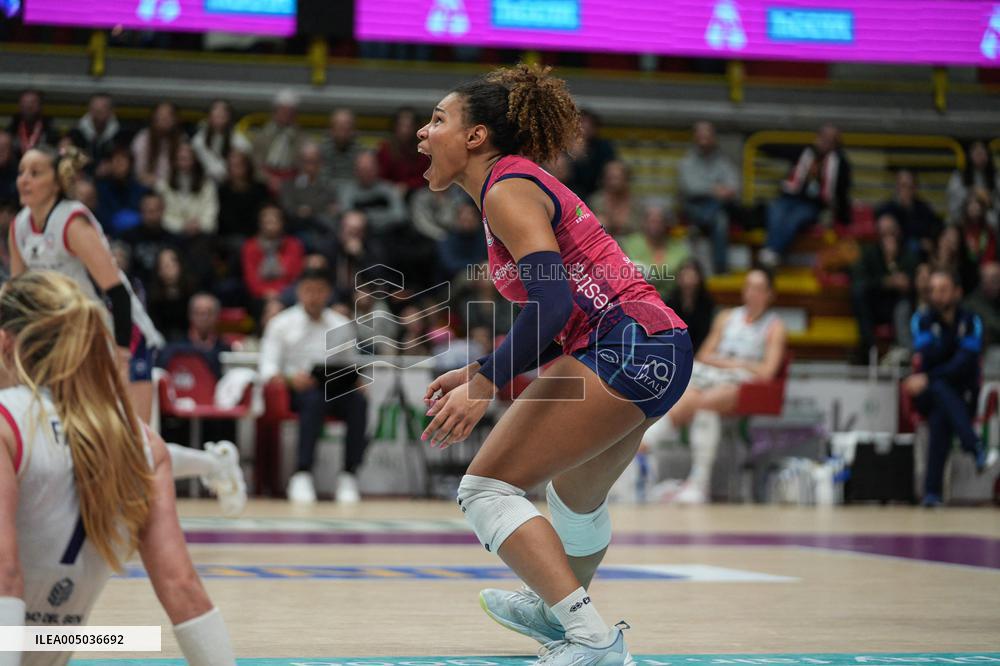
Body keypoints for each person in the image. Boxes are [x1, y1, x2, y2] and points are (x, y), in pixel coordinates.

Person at [416, 64, 692, 664]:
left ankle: (593, 637)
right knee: (574, 498)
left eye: (438, 120)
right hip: (656, 347)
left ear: (475, 138)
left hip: (623, 346)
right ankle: (560, 611)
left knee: (486, 488)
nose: (422, 132)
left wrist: (487, 380)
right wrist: (480, 369)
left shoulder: (506, 187)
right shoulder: (514, 186)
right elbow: (558, 313)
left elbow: (555, 303)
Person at [0, 271, 237, 666]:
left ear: (6, 343)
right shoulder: (140, 440)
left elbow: (6, 576)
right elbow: (184, 590)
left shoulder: (7, 422)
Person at [9, 146, 243, 515]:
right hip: (71, 342)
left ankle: (217, 466)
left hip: (122, 334)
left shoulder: (72, 223)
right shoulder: (19, 226)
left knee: (135, 444)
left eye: (35, 172)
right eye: (22, 171)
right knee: (79, 435)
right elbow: (20, 299)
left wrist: (120, 353)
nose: (24, 179)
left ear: (58, 181)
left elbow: (117, 293)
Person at [642, 268, 786, 505]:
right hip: (716, 377)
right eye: (749, 287)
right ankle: (694, 482)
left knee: (699, 401)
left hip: (746, 384)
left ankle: (647, 448)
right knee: (698, 403)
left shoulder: (774, 326)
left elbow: (768, 371)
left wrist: (733, 364)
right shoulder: (727, 317)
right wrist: (736, 363)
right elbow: (704, 354)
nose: (752, 293)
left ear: (769, 294)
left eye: (759, 289)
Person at [259, 268, 370, 505]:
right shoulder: (281, 323)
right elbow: (267, 367)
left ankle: (349, 474)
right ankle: (302, 473)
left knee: (358, 403)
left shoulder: (341, 324)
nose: (314, 296)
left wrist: (357, 381)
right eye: (309, 290)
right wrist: (289, 379)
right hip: (296, 391)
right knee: (313, 399)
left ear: (328, 293)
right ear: (299, 291)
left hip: (334, 388)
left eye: (320, 291)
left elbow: (351, 364)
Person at [902, 269, 989, 506]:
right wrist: (944, 364)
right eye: (933, 290)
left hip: (962, 394)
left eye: (943, 290)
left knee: (940, 414)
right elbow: (929, 354)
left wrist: (930, 376)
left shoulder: (972, 321)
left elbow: (966, 363)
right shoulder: (921, 319)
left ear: (957, 292)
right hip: (928, 395)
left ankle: (932, 493)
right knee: (939, 390)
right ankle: (973, 444)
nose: (937, 296)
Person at [759, 124, 851, 267]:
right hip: (789, 197)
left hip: (813, 205)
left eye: (830, 139)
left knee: (794, 219)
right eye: (823, 137)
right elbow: (780, 151)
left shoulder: (840, 163)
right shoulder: (804, 152)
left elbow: (842, 193)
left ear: (836, 143)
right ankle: (772, 253)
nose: (825, 141)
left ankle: (770, 253)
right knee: (775, 213)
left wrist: (844, 220)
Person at [850, 213, 917, 359]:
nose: (887, 235)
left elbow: (914, 281)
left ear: (898, 231)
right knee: (859, 293)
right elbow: (860, 280)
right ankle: (868, 347)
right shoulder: (869, 253)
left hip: (899, 304)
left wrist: (906, 282)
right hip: (875, 304)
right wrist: (886, 282)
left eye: (891, 231)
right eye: (883, 231)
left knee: (904, 306)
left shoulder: (908, 254)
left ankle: (906, 351)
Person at [677, 121, 740, 274]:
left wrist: (712, 190)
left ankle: (699, 226)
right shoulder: (686, 162)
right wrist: (716, 189)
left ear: (714, 138)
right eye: (701, 135)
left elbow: (735, 187)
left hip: (717, 205)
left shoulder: (723, 162)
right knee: (719, 216)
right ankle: (721, 269)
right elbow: (691, 188)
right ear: (695, 137)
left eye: (707, 135)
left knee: (719, 217)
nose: (704, 138)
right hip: (693, 206)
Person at [618, 199, 691, 299]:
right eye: (651, 220)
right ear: (644, 223)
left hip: (671, 301)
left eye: (659, 221)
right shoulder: (629, 245)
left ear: (667, 223)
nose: (655, 225)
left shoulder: (680, 250)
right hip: (636, 299)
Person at [875, 170, 941, 260]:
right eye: (903, 186)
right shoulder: (885, 209)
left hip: (920, 257)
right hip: (893, 254)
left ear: (915, 188)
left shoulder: (924, 209)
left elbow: (935, 227)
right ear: (897, 187)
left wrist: (930, 241)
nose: (906, 190)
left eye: (911, 186)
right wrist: (916, 243)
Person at [191, 99, 252, 184]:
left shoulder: (239, 140)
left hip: (231, 183)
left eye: (223, 112)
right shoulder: (199, 140)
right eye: (216, 111)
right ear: (209, 116)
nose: (219, 114)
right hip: (204, 183)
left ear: (229, 117)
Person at [376, 106, 431, 196]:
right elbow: (380, 177)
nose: (405, 130)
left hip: (416, 193)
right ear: (395, 127)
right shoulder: (385, 149)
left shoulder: (423, 149)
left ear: (416, 128)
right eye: (401, 126)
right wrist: (393, 187)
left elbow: (425, 177)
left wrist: (408, 185)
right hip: (388, 192)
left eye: (409, 126)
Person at [664, 259, 715, 352]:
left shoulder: (707, 303)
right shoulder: (669, 302)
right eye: (685, 276)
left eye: (692, 276)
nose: (688, 281)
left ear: (699, 278)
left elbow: (707, 334)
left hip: (699, 351)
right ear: (679, 279)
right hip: (673, 350)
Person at [131, 102, 184, 188]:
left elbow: (186, 172)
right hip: (146, 189)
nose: (164, 118)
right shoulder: (142, 139)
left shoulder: (182, 141)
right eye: (160, 115)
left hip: (173, 190)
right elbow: (138, 173)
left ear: (175, 120)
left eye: (169, 115)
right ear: (154, 118)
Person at [947, 140, 999, 225]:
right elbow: (953, 200)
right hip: (964, 215)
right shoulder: (959, 175)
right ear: (970, 156)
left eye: (983, 153)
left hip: (988, 217)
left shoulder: (995, 176)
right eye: (977, 154)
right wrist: (972, 192)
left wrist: (989, 200)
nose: (980, 157)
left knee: (992, 219)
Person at [587, 161, 643, 239]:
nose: (614, 182)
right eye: (610, 178)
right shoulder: (595, 202)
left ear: (626, 180)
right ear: (604, 179)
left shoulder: (637, 204)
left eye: (618, 177)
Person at [68, 93, 121, 176]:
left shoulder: (120, 134)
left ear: (111, 111)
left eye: (103, 108)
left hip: (111, 180)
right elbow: (65, 157)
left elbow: (124, 162)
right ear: (89, 110)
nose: (98, 111)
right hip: (82, 179)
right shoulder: (75, 133)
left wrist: (112, 165)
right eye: (95, 108)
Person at [320, 108, 363, 189]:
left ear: (353, 130)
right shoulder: (321, 152)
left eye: (347, 128)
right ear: (331, 130)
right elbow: (322, 181)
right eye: (339, 127)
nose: (343, 133)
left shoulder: (361, 154)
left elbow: (361, 183)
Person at [6, 90, 56, 156]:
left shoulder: (51, 132)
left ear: (41, 106)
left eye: (33, 102)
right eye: (25, 102)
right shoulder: (10, 131)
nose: (28, 106)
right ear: (19, 106)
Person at [965, 262, 1000, 348]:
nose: (995, 285)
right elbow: (993, 325)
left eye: (997, 280)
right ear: (982, 281)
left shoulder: (996, 298)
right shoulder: (973, 303)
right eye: (991, 280)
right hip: (985, 349)